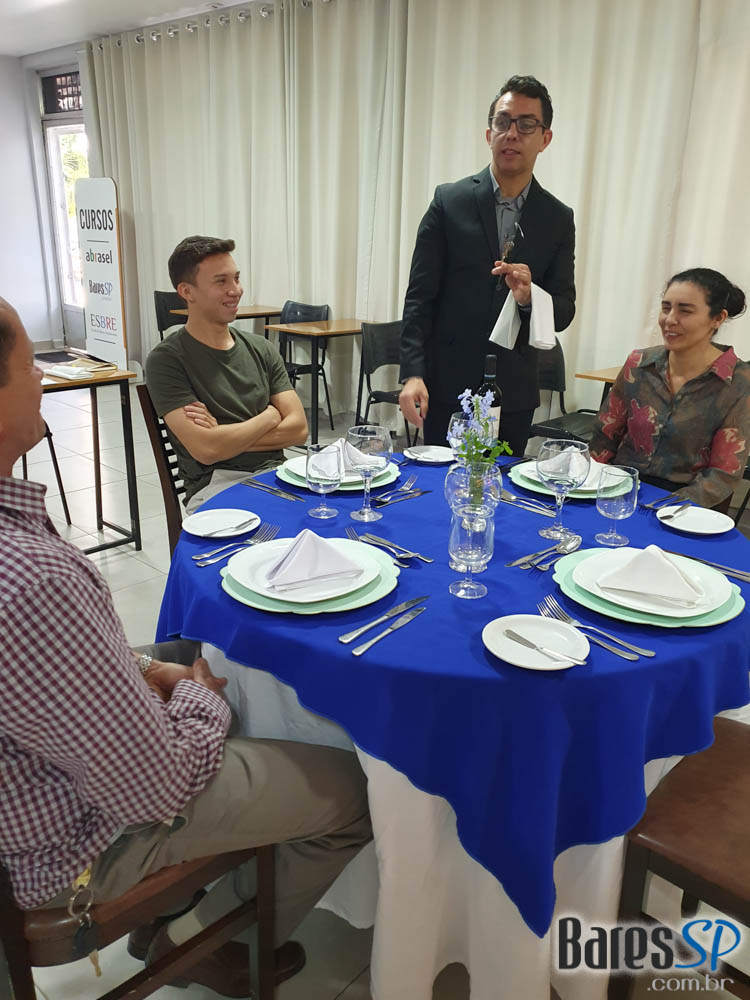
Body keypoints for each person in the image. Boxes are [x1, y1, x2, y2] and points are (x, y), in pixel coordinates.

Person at [0, 298, 371, 997]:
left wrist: (147, 670)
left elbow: (52, 671)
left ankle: (193, 892)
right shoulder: (32, 580)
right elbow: (155, 785)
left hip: (47, 780)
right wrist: (199, 698)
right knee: (355, 790)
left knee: (186, 646)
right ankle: (207, 938)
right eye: (29, 368)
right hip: (75, 845)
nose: (42, 379)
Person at [399, 74, 576, 457]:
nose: (511, 134)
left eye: (526, 124)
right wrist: (412, 373)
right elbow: (419, 298)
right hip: (447, 384)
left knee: (503, 487)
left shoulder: (557, 218)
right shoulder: (449, 202)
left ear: (545, 138)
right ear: (488, 133)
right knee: (441, 485)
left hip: (514, 389)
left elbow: (564, 310)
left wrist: (530, 298)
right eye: (503, 122)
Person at [146, 236, 308, 513]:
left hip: (278, 476)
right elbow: (207, 450)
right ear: (187, 291)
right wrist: (270, 417)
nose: (236, 290)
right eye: (221, 281)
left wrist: (224, 438)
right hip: (217, 488)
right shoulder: (167, 360)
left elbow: (299, 430)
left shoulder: (261, 348)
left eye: (236, 278)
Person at [589, 268, 750, 509]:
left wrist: (662, 507)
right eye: (666, 308)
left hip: (686, 506)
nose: (670, 319)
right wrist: (592, 488)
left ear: (717, 318)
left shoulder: (738, 381)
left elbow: (723, 475)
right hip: (620, 490)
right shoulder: (639, 363)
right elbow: (604, 437)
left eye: (685, 310)